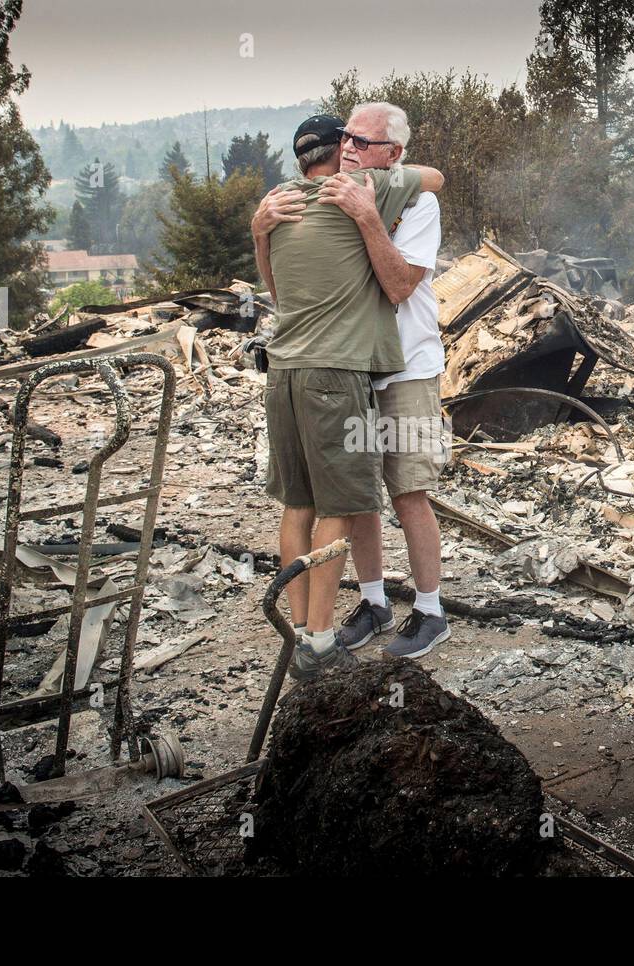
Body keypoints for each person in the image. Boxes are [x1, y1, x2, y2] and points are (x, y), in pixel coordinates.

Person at [250, 113, 444, 680]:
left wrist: (365, 217)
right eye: (348, 138)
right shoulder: (328, 195)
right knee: (354, 498)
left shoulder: (406, 199)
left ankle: (430, 610)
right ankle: (375, 601)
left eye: (365, 141)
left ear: (394, 151)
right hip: (349, 372)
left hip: (406, 368)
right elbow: (283, 289)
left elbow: (400, 284)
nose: (354, 147)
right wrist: (262, 228)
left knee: (408, 491)